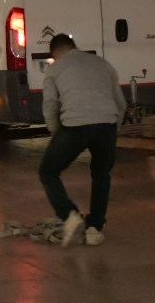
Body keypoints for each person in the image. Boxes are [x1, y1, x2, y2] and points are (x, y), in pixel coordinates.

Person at [37, 33, 126, 247]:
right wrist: (114, 128)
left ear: (55, 53)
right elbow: (120, 102)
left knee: (48, 171)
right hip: (107, 124)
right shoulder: (102, 64)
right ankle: (95, 227)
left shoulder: (55, 68)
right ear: (74, 46)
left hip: (75, 126)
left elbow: (50, 105)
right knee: (101, 174)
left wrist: (56, 133)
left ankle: (70, 216)